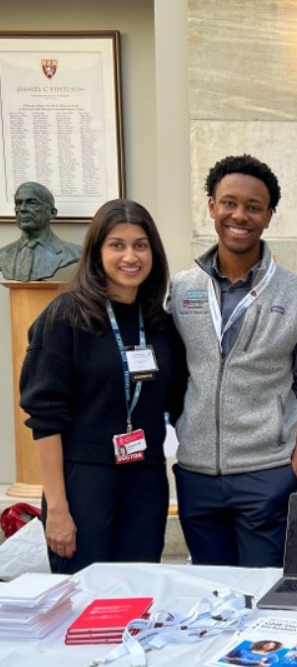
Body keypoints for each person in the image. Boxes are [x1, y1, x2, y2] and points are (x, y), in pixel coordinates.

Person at [170, 154, 297, 568]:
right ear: (211, 207)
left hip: (266, 472)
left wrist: (292, 471)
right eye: (229, 203)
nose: (240, 215)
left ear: (269, 216)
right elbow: (176, 375)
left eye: (254, 207)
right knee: (213, 593)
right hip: (196, 473)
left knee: (264, 595)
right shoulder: (181, 290)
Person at [19, 199, 187, 574]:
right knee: (81, 601)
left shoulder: (159, 323)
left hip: (146, 479)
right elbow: (45, 420)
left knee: (138, 594)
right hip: (85, 482)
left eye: (140, 245)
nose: (131, 256)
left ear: (153, 253)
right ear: (96, 253)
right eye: (117, 245)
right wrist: (58, 508)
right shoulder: (65, 317)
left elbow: (177, 398)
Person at [0, 182, 81, 281]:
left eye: (32, 203)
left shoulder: (74, 252)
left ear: (52, 213)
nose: (22, 209)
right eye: (18, 203)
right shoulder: (3, 254)